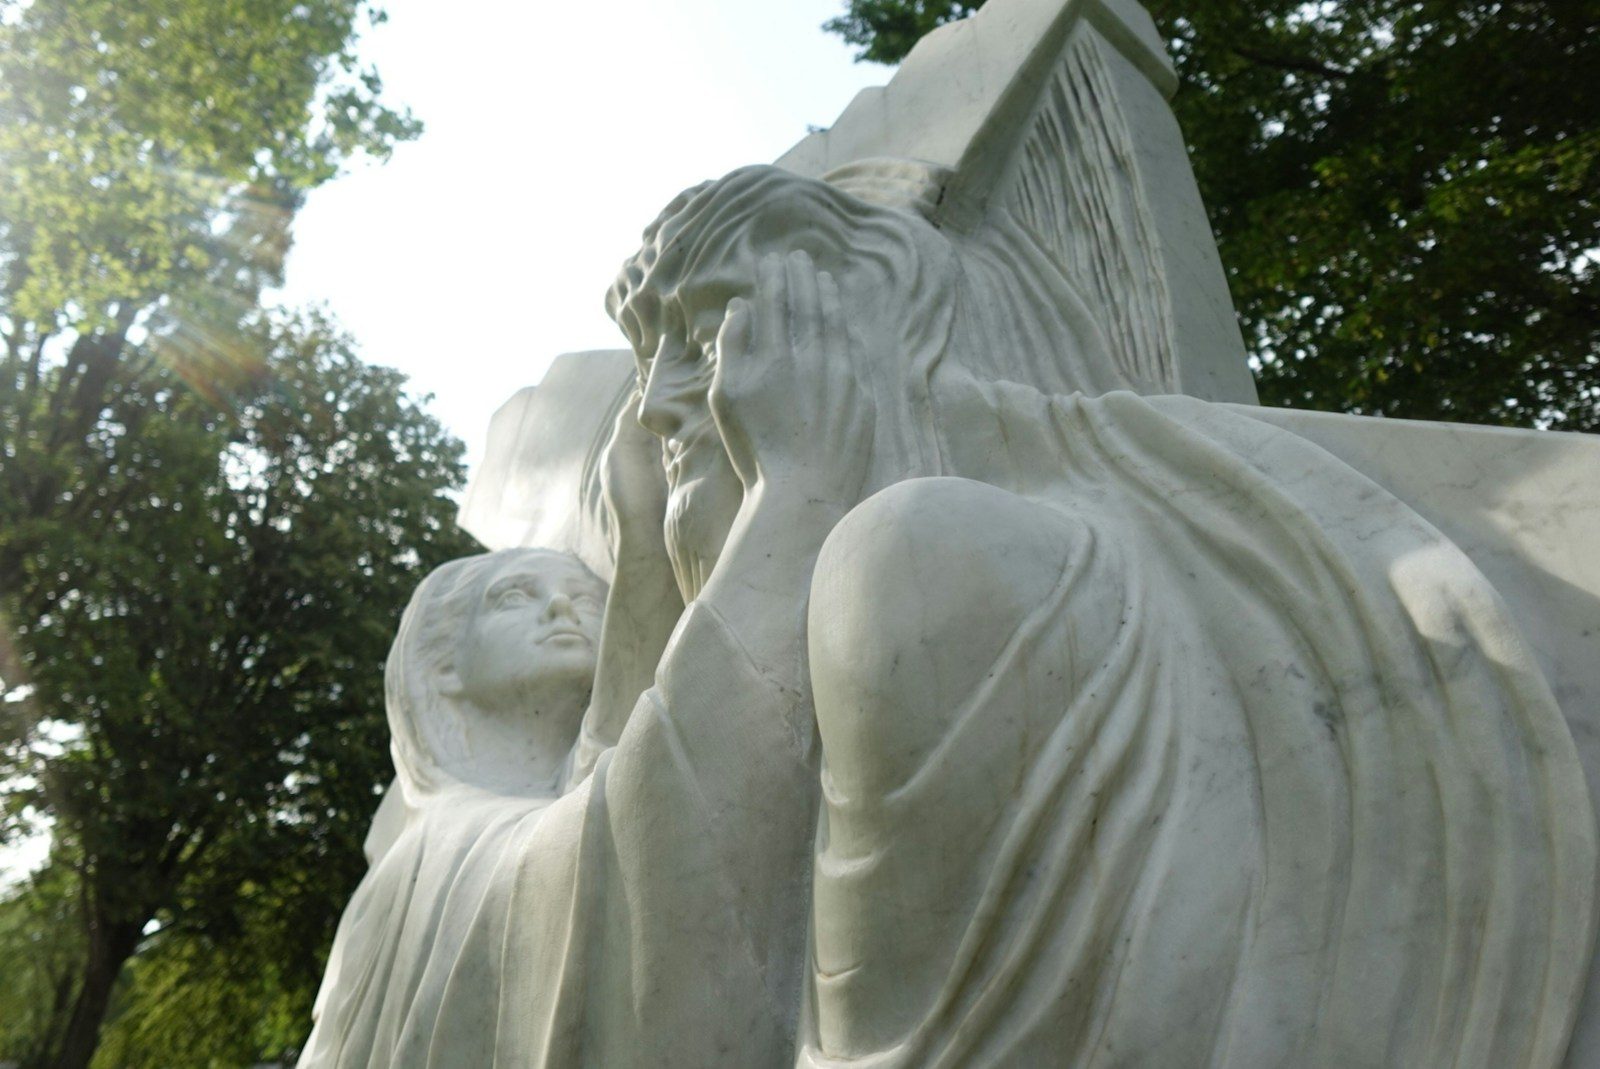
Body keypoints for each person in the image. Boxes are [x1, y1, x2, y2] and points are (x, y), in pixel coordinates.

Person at [297, 548, 608, 1067]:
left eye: (586, 599)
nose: (562, 607)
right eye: (512, 596)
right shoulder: (449, 838)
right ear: (442, 667)